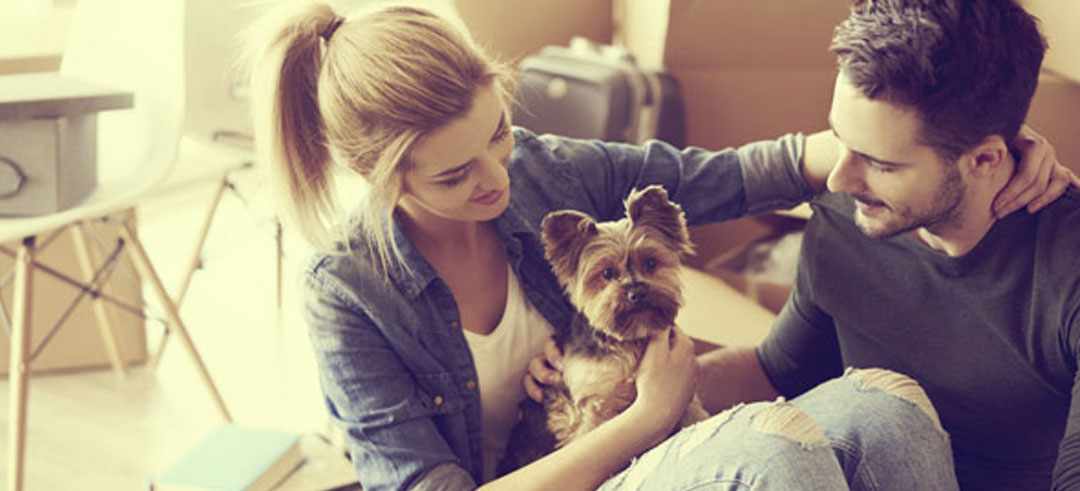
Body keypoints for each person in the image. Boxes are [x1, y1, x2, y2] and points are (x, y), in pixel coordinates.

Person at [244, 2, 1073, 490]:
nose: (498, 177)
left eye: (499, 131)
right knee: (775, 450)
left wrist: (987, 148)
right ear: (379, 176)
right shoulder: (349, 293)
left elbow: (742, 174)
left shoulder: (538, 170)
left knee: (883, 404)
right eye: (456, 174)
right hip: (576, 464)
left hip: (632, 429)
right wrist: (646, 409)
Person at [679, 0, 1080, 489]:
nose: (840, 178)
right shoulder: (847, 219)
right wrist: (634, 393)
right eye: (840, 139)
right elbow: (778, 371)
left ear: (985, 160)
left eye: (881, 164)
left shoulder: (1065, 266)